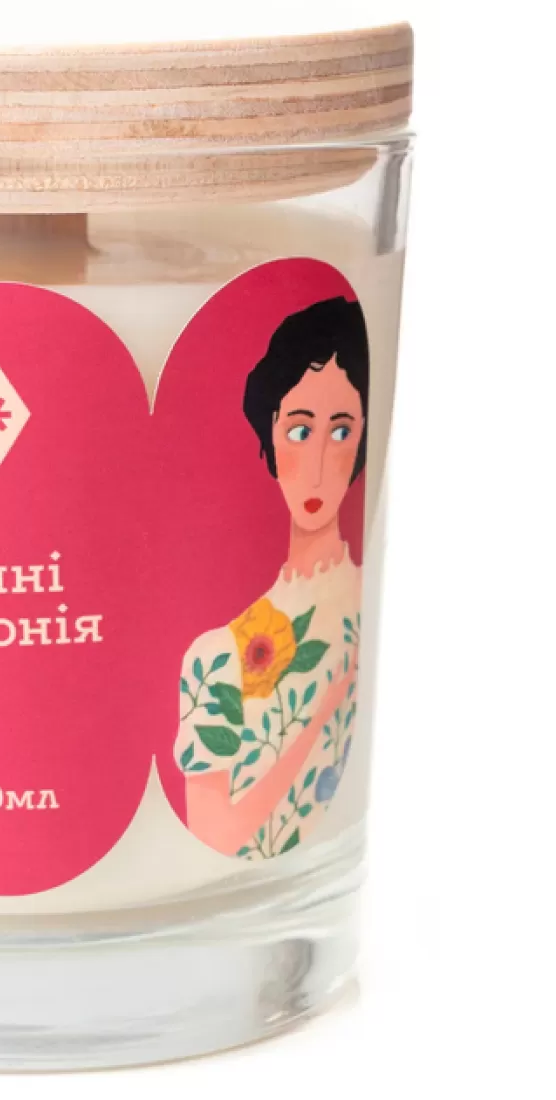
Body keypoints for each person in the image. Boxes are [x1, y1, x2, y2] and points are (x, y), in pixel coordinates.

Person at [174, 297, 368, 860]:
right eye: (300, 430)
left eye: (341, 431)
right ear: (271, 442)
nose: (318, 466)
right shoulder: (219, 658)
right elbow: (217, 836)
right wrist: (316, 721)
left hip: (314, 887)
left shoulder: (366, 607)